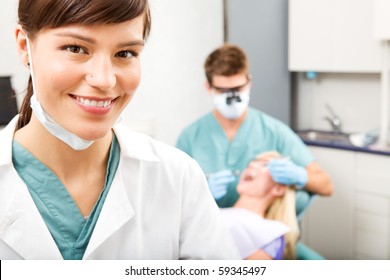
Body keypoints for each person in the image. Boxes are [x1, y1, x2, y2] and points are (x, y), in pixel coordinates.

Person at [0, 0, 240, 260]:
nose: (105, 80)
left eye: (125, 53)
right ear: (25, 46)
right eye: (76, 48)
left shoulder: (178, 178)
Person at [176, 44, 333, 209]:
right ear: (208, 87)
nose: (232, 97)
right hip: (214, 231)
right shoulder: (190, 137)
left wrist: (301, 176)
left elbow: (326, 186)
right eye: (223, 90)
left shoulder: (274, 132)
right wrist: (199, 193)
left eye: (238, 88)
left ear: (249, 82)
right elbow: (172, 197)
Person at [220, 151, 299, 260]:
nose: (252, 165)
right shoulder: (216, 211)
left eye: (265, 165)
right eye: (250, 164)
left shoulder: (269, 234)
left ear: (278, 189)